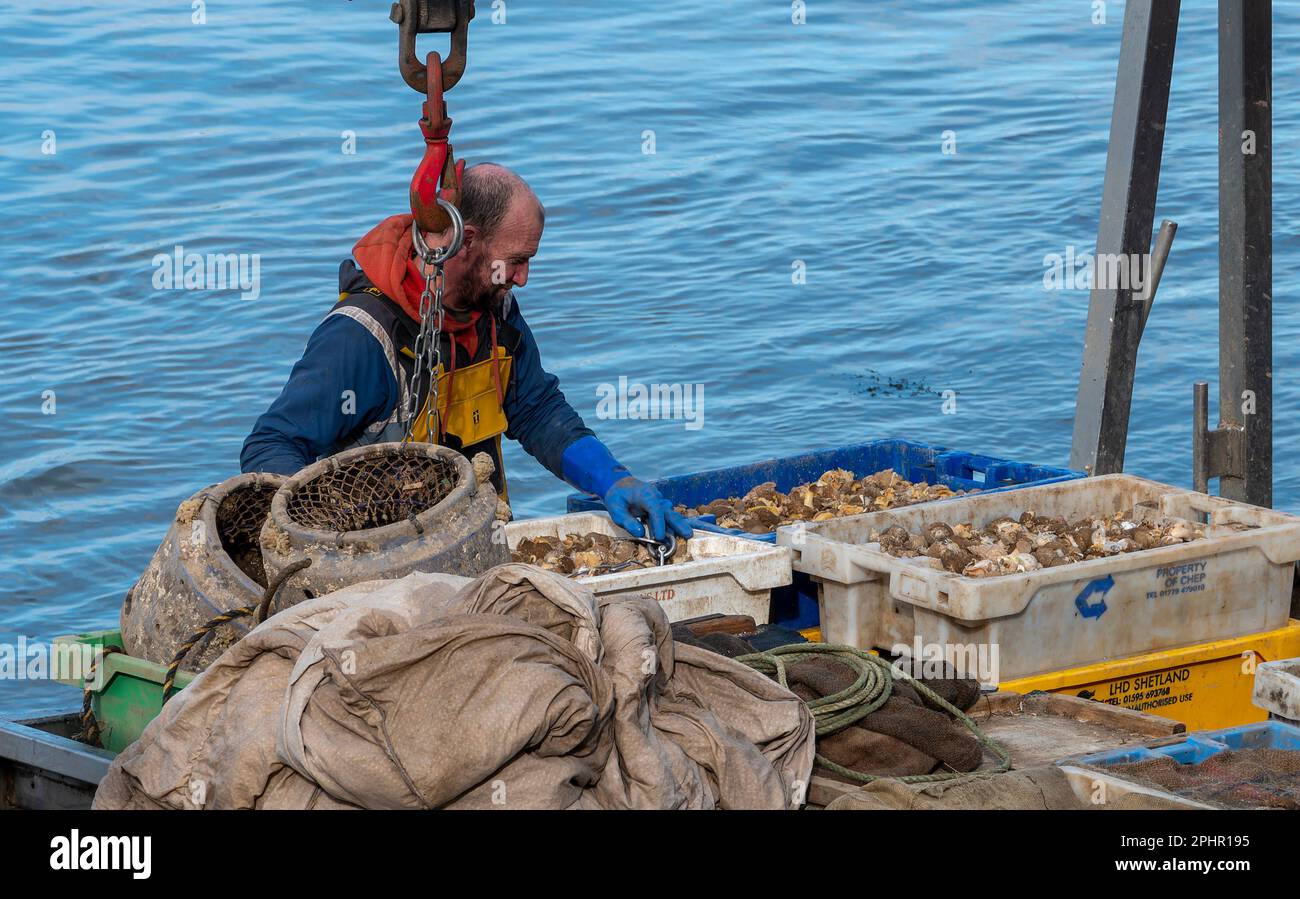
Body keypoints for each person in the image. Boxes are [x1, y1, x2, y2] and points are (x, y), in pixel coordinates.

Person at [240, 163, 691, 542]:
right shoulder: (362, 336)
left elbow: (535, 410)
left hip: (478, 551)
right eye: (516, 260)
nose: (523, 278)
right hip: (383, 567)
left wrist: (612, 479)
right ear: (467, 240)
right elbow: (272, 445)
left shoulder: (494, 313)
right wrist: (322, 538)